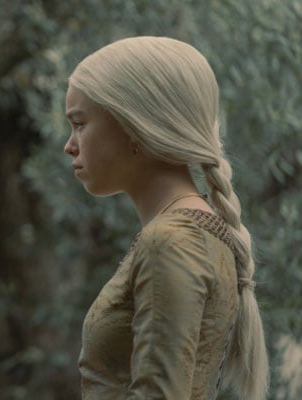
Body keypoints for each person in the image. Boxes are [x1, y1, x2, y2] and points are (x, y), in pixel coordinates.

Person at [63, 36, 268, 399]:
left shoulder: (173, 241)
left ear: (134, 125)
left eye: (80, 124)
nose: (69, 145)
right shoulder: (190, 233)